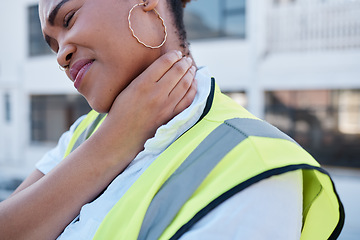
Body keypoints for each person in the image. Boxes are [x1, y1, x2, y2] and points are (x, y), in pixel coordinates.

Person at [1, 0, 344, 239]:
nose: (61, 55)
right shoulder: (84, 132)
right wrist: (113, 143)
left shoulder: (257, 167)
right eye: (51, 44)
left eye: (69, 18)